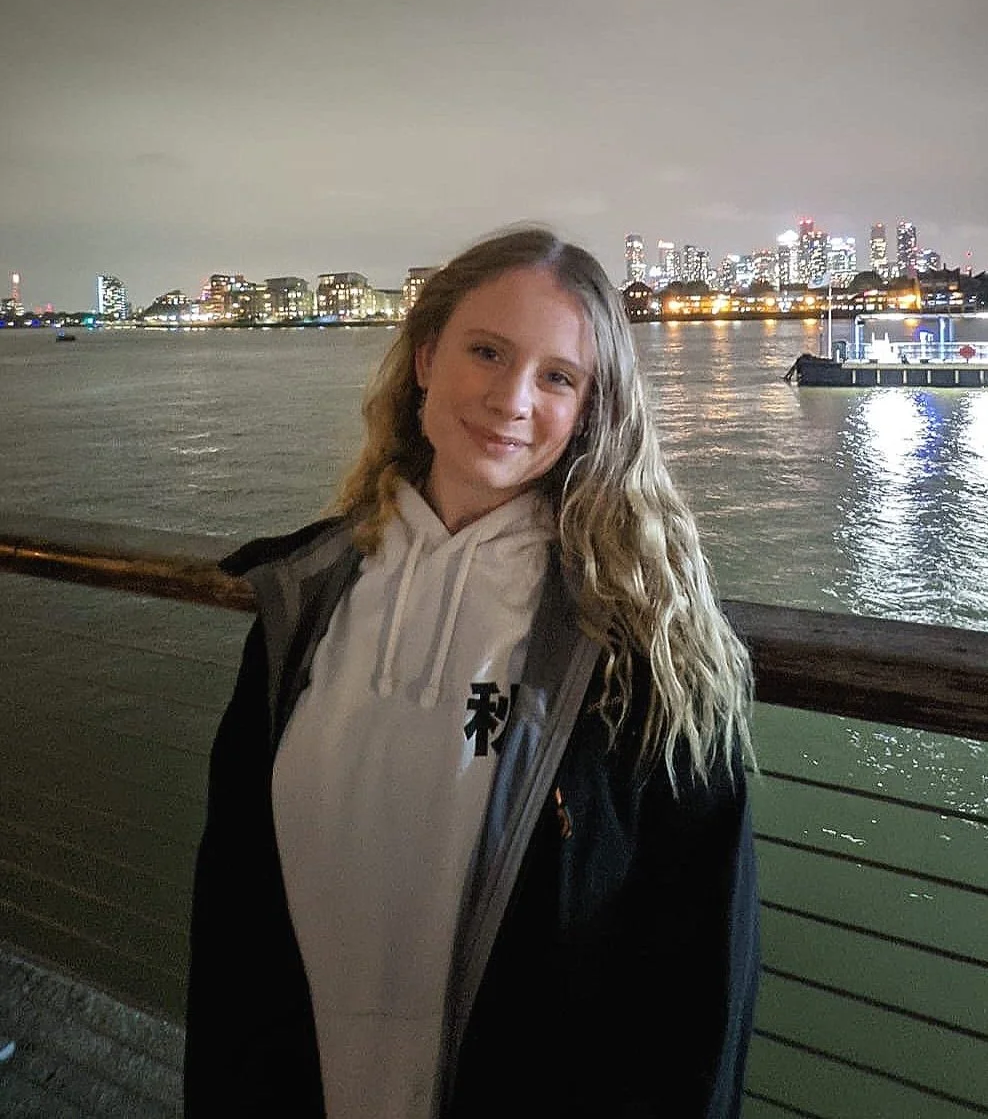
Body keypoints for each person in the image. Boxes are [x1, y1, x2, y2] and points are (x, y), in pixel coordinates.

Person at [184, 225, 760, 1119]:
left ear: (588, 411)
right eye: (486, 351)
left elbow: (697, 982)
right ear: (424, 358)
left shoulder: (641, 647)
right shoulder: (303, 599)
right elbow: (231, 919)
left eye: (557, 377)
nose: (512, 398)